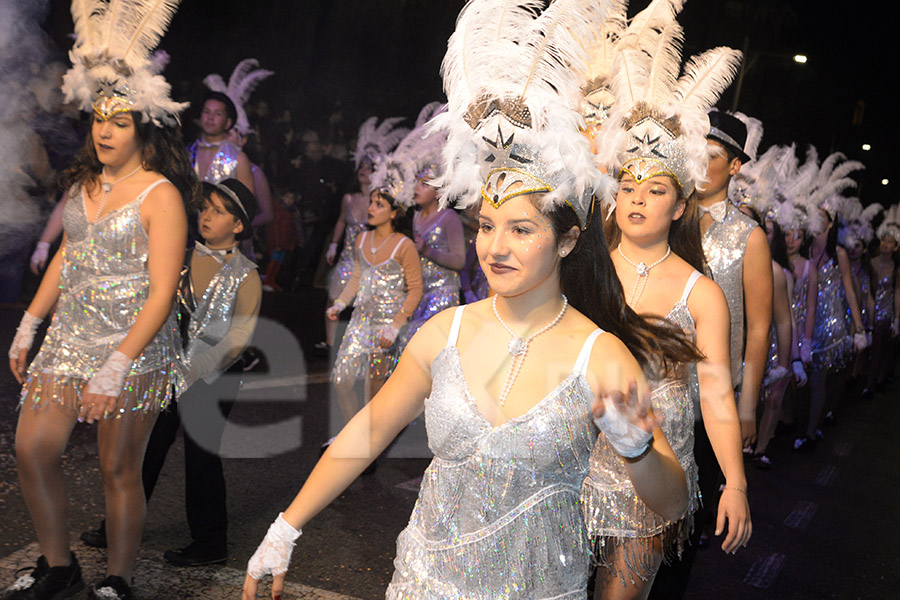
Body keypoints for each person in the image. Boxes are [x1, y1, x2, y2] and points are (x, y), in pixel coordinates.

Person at [244, 1, 692, 597]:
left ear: (567, 241)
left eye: (522, 229)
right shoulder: (444, 334)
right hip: (425, 581)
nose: (496, 247)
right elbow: (365, 434)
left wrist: (637, 450)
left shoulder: (601, 354)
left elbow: (671, 499)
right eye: (486, 225)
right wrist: (284, 530)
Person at [6, 2, 192, 598]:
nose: (105, 130)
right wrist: (28, 326)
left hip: (132, 347)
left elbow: (164, 291)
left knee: (118, 469)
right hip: (69, 337)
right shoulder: (85, 185)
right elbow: (68, 255)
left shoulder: (160, 196)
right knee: (31, 450)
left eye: (120, 121)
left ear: (144, 128)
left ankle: (117, 580)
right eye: (99, 119)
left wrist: (115, 367)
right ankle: (59, 566)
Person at [585, 27, 751, 597]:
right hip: (571, 467)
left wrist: (735, 483)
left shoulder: (700, 292)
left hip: (654, 478)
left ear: (680, 204)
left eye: (654, 189)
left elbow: (717, 394)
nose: (636, 198)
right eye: (628, 185)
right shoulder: (585, 272)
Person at [78, 180, 261, 567]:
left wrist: (197, 368)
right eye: (205, 208)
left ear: (239, 226)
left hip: (216, 378)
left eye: (218, 212)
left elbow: (240, 336)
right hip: (168, 370)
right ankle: (119, 524)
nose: (206, 216)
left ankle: (211, 544)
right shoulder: (180, 256)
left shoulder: (246, 274)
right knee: (146, 445)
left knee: (201, 458)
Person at [325, 186, 422, 430]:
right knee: (340, 379)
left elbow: (416, 290)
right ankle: (353, 433)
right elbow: (357, 278)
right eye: (371, 202)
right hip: (361, 319)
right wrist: (340, 303)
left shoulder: (404, 245)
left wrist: (395, 327)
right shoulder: (362, 239)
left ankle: (370, 442)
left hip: (386, 326)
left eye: (379, 205)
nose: (370, 209)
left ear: (393, 213)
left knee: (375, 386)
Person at [322, 116, 408, 350]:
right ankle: (330, 344)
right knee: (333, 300)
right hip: (347, 259)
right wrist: (333, 245)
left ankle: (364, 345)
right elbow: (341, 222)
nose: (364, 170)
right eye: (361, 166)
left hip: (370, 262)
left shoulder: (381, 202)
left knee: (366, 306)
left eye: (370, 168)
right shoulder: (349, 198)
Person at [187, 91, 255, 194]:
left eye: (217, 114)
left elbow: (247, 205)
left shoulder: (238, 159)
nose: (210, 117)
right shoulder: (186, 153)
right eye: (206, 111)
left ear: (228, 123)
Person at [866, 206, 900, 395]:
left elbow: (897, 291)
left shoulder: (896, 268)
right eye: (884, 241)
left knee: (881, 348)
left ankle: (874, 382)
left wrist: (897, 318)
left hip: (886, 312)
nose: (886, 245)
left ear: (896, 246)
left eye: (890, 242)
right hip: (871, 308)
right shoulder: (872, 262)